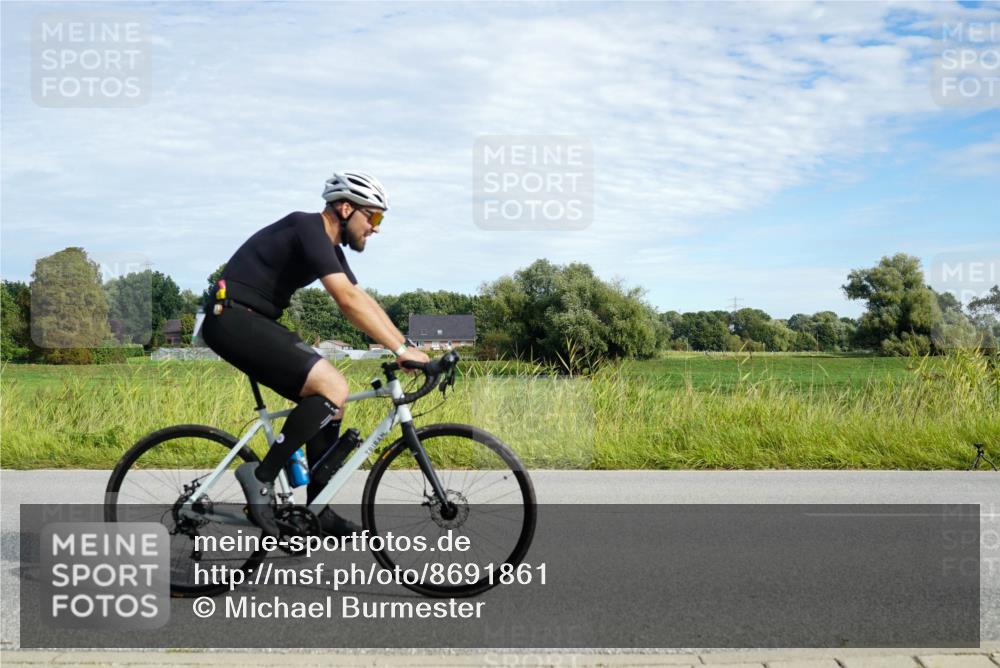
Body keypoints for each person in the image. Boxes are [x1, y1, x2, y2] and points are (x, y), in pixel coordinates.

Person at [200, 171, 430, 537]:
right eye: (374, 216)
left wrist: (406, 347)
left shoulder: (328, 246)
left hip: (253, 319)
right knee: (331, 385)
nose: (376, 228)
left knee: (333, 402)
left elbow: (361, 296)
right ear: (344, 208)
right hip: (231, 318)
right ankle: (260, 476)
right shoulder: (307, 227)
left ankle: (318, 508)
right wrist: (400, 349)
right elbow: (347, 300)